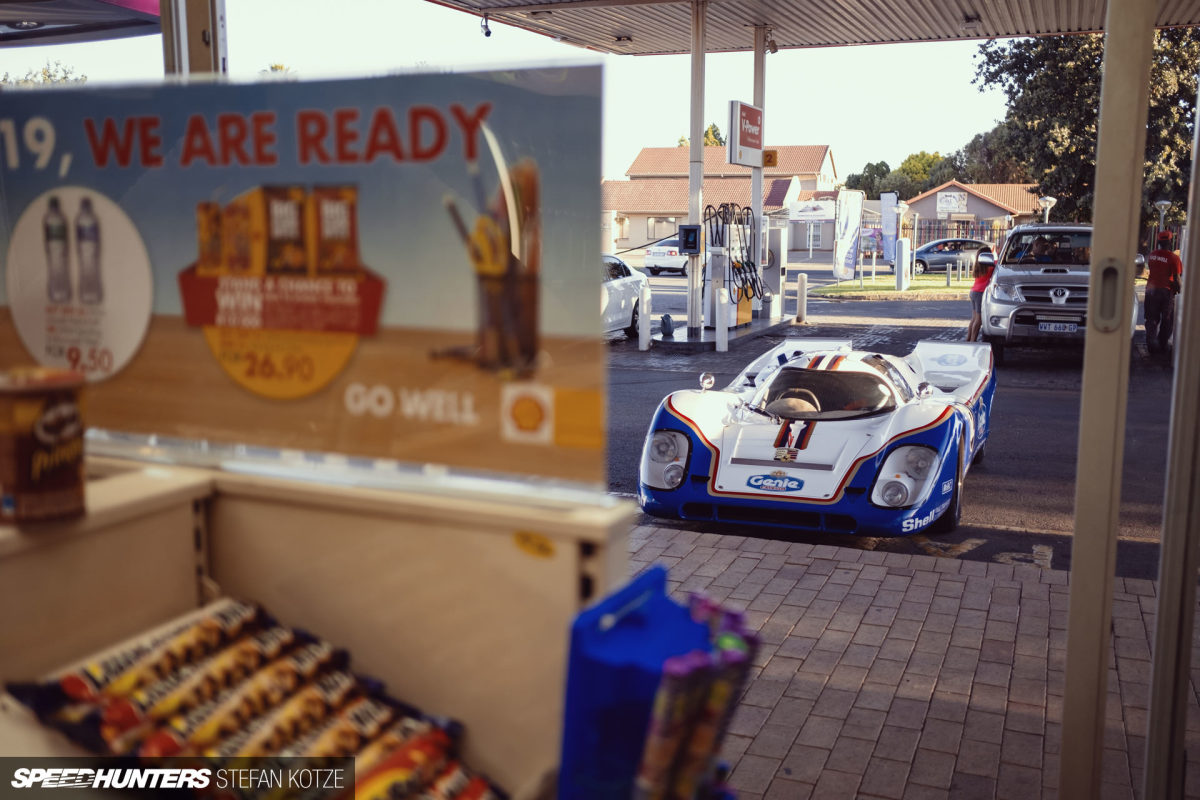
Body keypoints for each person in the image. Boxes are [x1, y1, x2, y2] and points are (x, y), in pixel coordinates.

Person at [1144, 230, 1183, 355]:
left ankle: (1151, 345)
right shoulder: (1174, 258)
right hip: (1165, 292)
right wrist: (1181, 291)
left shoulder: (1152, 255)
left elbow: (1153, 271)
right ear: (1170, 242)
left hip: (1150, 290)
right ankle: (1162, 345)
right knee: (1167, 320)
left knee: (1151, 318)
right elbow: (1176, 279)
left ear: (1159, 242)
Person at [967, 248, 995, 342]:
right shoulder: (990, 267)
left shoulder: (978, 266)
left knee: (974, 318)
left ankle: (968, 339)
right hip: (980, 293)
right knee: (979, 320)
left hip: (973, 291)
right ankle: (973, 340)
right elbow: (998, 263)